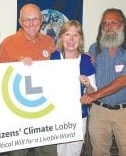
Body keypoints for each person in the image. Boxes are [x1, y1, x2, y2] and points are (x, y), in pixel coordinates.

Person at [80, 8, 126, 156]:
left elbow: (124, 80)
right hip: (98, 112)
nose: (109, 27)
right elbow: (89, 78)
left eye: (113, 22)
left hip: (125, 112)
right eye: (105, 23)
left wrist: (94, 95)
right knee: (98, 152)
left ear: (122, 25)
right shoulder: (94, 49)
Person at [0, 3, 56, 156]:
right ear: (20, 21)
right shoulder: (8, 43)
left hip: (45, 111)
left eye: (35, 19)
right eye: (26, 20)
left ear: (42, 19)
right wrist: (17, 65)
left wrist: (86, 58)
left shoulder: (49, 42)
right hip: (18, 111)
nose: (31, 24)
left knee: (48, 152)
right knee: (18, 153)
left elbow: (59, 68)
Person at [50, 20, 97, 156]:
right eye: (67, 34)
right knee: (57, 152)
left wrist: (88, 85)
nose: (71, 39)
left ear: (80, 39)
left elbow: (92, 93)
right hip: (56, 116)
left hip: (78, 116)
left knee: (73, 153)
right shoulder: (53, 58)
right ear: (61, 37)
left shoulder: (87, 61)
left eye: (75, 35)